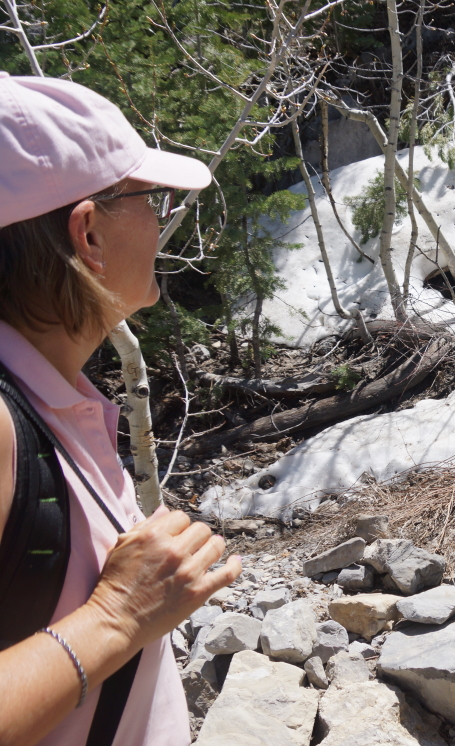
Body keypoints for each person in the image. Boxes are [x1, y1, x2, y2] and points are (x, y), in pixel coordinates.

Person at [0, 72, 242, 745]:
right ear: (88, 234)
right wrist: (117, 615)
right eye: (150, 200)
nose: (162, 221)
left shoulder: (49, 395)